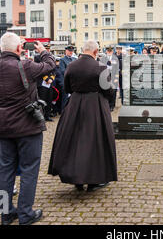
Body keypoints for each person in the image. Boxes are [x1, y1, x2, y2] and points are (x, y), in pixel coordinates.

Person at [0, 32, 55, 225]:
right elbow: (50, 66)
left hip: (3, 126)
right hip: (27, 126)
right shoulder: (25, 66)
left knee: (5, 171)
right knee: (29, 170)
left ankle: (5, 213)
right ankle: (25, 213)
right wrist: (43, 51)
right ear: (19, 49)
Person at [48, 40, 117, 192]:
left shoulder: (71, 66)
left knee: (74, 141)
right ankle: (93, 180)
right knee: (95, 142)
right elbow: (109, 91)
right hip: (96, 106)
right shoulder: (101, 67)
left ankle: (76, 179)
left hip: (75, 105)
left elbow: (67, 87)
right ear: (95, 52)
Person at [101, 46, 119, 111]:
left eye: (110, 51)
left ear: (112, 51)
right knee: (106, 91)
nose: (109, 52)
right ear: (106, 51)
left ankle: (112, 105)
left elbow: (117, 69)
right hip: (106, 77)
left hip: (113, 77)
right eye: (108, 51)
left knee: (113, 92)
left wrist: (117, 78)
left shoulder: (115, 58)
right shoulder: (103, 58)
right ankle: (107, 105)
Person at [59, 46, 76, 110]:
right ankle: (63, 113)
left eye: (72, 51)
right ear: (66, 51)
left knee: (73, 100)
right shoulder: (62, 60)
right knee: (65, 99)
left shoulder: (75, 59)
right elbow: (63, 71)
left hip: (74, 83)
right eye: (69, 51)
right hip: (67, 82)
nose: (71, 52)